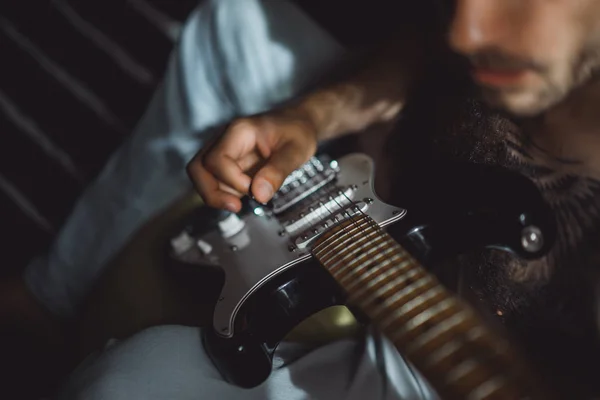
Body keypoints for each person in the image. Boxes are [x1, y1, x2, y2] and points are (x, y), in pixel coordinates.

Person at [3, 0, 600, 398]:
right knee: (240, 22)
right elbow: (433, 46)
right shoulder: (491, 33)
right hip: (392, 165)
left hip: (418, 368)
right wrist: (314, 113)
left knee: (128, 382)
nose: (465, 29)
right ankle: (54, 290)